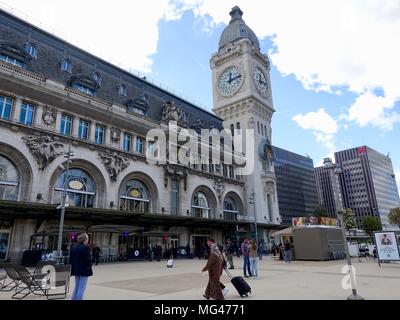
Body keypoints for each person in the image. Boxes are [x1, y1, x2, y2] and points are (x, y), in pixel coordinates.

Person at [70, 233, 93, 300]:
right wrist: (90, 264)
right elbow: (88, 260)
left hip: (76, 270)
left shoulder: (73, 247)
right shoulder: (86, 247)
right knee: (81, 288)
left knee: (76, 287)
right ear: (85, 239)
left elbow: (71, 259)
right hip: (84, 270)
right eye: (87, 238)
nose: (88, 240)